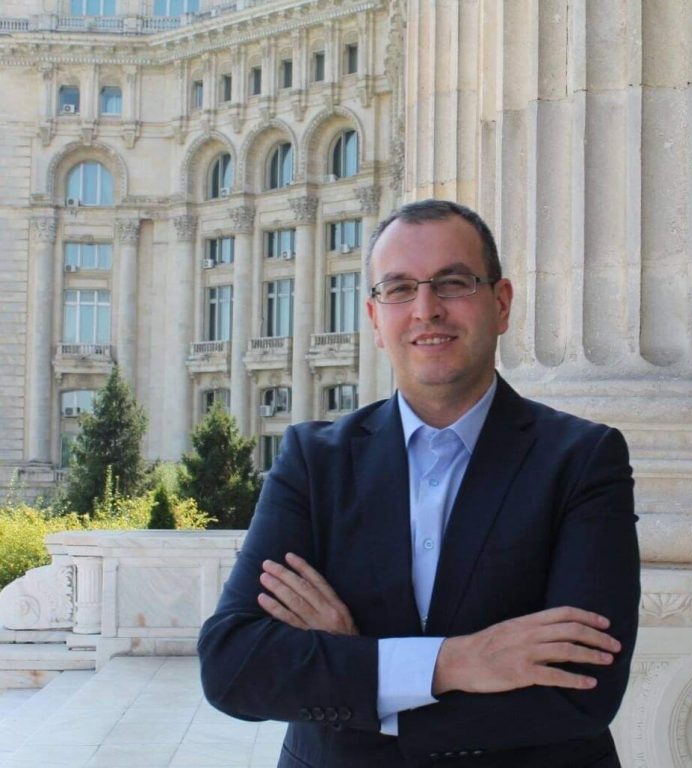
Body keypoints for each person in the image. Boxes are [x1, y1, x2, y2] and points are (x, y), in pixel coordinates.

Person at [198, 199, 640, 768]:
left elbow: (582, 688)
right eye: (400, 289)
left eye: (453, 283)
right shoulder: (313, 461)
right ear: (374, 318)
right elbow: (233, 666)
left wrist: (356, 668)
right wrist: (455, 663)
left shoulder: (583, 460)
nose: (426, 309)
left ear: (501, 304)